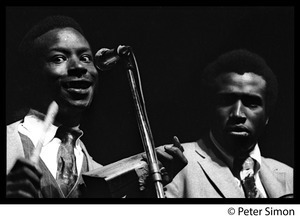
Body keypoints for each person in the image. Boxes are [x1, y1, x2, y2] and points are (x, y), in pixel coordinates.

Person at [6, 15, 187, 198]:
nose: (78, 67)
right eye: (59, 58)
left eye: (86, 58)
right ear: (30, 77)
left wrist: (148, 194)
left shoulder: (99, 174)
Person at [163, 49, 293, 198]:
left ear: (267, 115)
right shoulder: (173, 167)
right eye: (226, 101)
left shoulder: (289, 177)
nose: (237, 114)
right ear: (210, 108)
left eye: (251, 103)